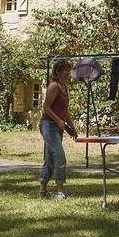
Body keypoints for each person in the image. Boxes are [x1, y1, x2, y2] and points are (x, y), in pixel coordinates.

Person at [39, 59, 76, 200]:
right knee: (59, 156)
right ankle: (60, 191)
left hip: (58, 126)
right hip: (48, 125)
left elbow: (65, 111)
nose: (68, 72)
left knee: (50, 158)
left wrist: (71, 127)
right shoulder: (53, 86)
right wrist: (59, 121)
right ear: (58, 72)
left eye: (69, 69)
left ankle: (42, 191)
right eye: (65, 70)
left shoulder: (65, 87)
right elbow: (46, 108)